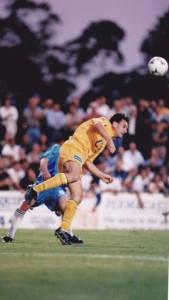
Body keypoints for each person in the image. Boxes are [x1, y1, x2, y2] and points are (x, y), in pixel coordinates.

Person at [25, 113, 129, 245]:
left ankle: (63, 230)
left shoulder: (102, 144)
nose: (125, 130)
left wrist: (101, 175)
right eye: (124, 126)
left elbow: (88, 162)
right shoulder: (105, 123)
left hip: (78, 157)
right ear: (114, 124)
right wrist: (109, 140)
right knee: (73, 176)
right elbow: (96, 124)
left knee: (78, 196)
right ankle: (34, 189)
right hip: (73, 148)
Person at [2, 144, 83, 245]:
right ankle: (10, 235)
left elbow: (72, 180)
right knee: (26, 204)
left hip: (58, 188)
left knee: (65, 208)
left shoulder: (76, 157)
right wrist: (45, 171)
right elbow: (44, 159)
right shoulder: (58, 148)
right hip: (44, 183)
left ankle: (68, 234)